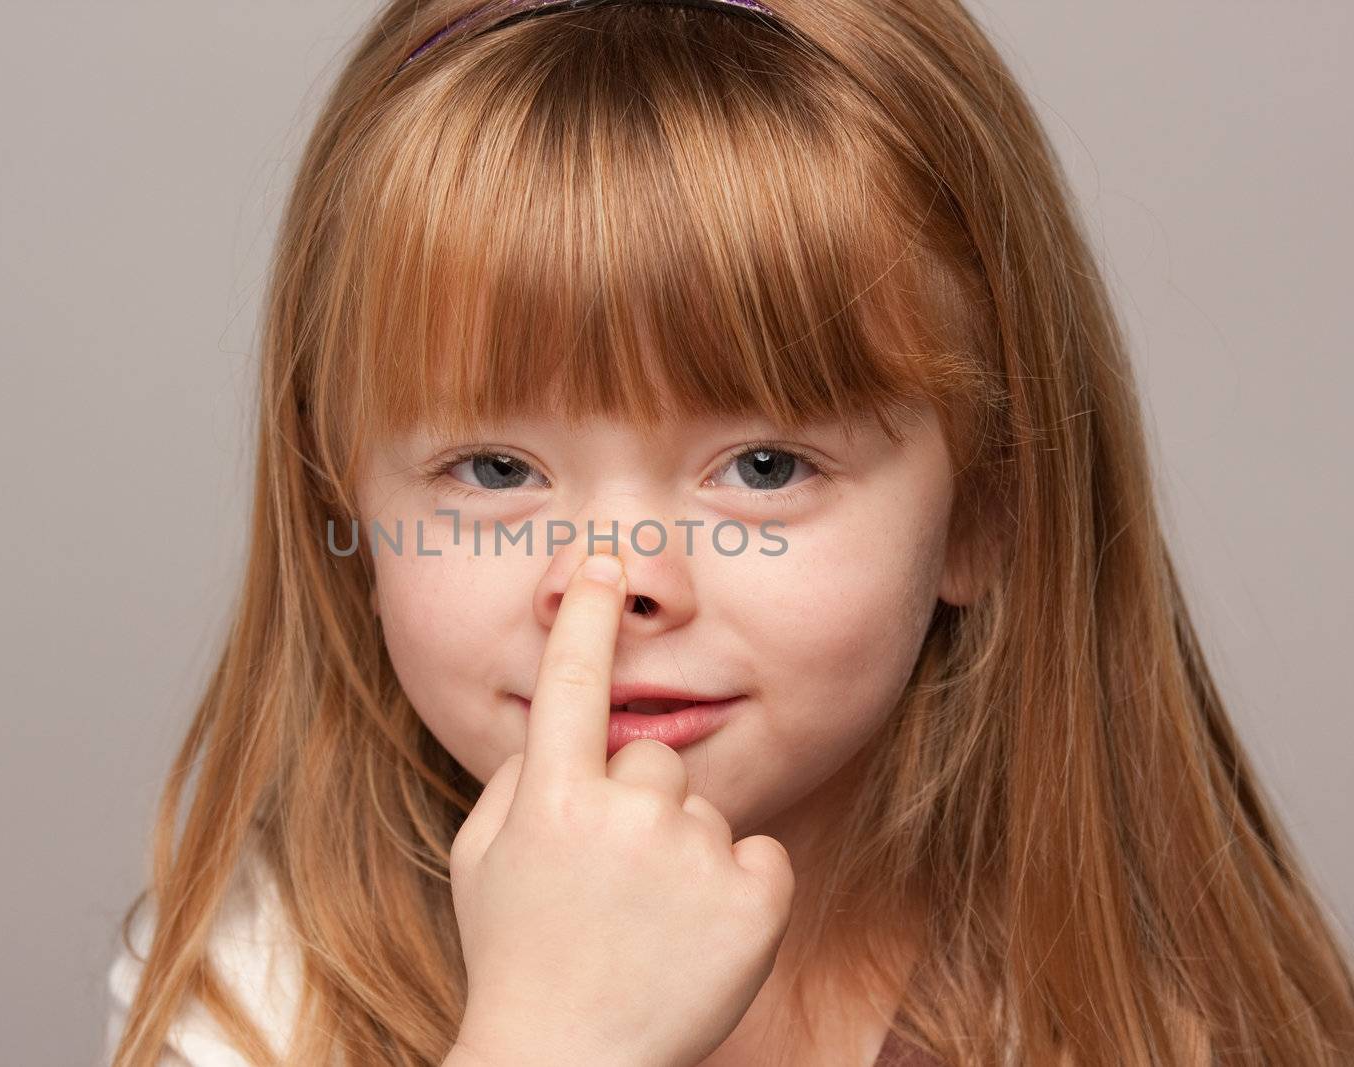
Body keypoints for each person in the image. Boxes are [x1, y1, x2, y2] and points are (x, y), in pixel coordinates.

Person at [101, 1, 1354, 1064]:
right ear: (344, 503)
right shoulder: (259, 996)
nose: (617, 582)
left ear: (987, 504)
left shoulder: (1160, 1015)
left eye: (761, 466)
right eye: (494, 467)